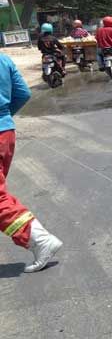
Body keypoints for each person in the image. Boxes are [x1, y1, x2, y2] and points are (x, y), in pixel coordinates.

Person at [0, 52, 63, 272]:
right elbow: (22, 93)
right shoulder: (3, 59)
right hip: (5, 133)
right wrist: (4, 116)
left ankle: (38, 239)